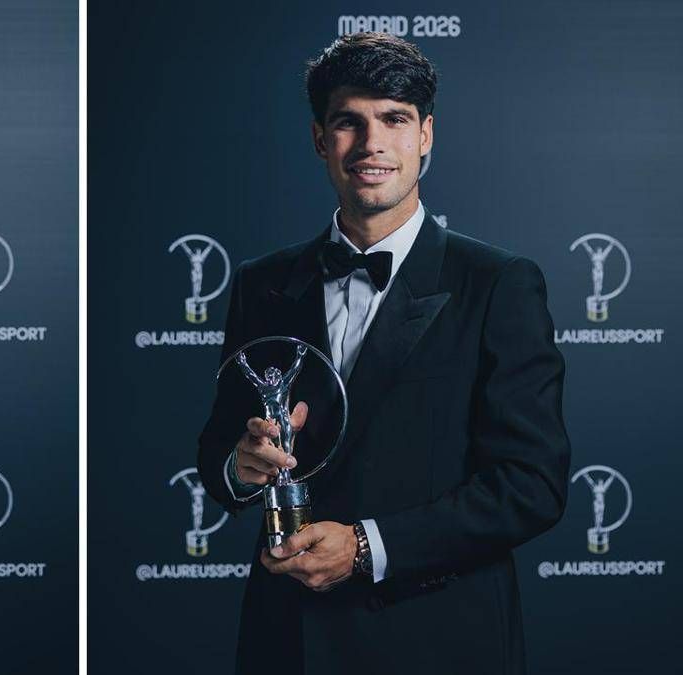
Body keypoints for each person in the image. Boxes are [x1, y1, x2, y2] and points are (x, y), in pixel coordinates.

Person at [197, 33, 570, 675]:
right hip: (288, 642)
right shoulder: (263, 284)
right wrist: (241, 464)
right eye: (350, 122)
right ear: (321, 139)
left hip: (437, 642)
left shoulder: (498, 284)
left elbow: (532, 485)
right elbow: (217, 452)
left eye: (394, 120)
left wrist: (367, 547)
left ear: (425, 135)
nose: (372, 144)